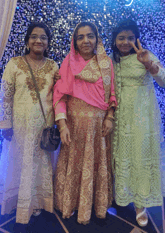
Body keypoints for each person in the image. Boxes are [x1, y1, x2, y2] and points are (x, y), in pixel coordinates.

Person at [0, 22, 59, 227]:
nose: (38, 40)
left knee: (40, 164)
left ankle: (38, 201)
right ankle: (16, 202)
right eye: (34, 36)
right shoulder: (14, 64)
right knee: (18, 162)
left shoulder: (54, 66)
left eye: (43, 37)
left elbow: (58, 97)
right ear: (27, 40)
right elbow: (6, 96)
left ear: (48, 43)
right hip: (19, 126)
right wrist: (5, 123)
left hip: (43, 126)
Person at [53, 21, 117, 224]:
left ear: (97, 38)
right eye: (80, 37)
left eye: (90, 35)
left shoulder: (106, 63)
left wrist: (109, 117)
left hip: (98, 128)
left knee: (95, 164)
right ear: (74, 41)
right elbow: (59, 96)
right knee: (74, 162)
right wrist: (62, 125)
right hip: (73, 126)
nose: (85, 40)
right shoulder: (68, 62)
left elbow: (112, 94)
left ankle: (94, 205)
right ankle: (70, 204)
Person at [110, 19, 165, 227]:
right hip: (116, 119)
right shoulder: (111, 60)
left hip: (140, 120)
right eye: (121, 38)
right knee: (117, 158)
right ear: (115, 40)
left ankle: (140, 204)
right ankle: (118, 196)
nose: (125, 42)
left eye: (130, 38)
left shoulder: (145, 56)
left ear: (136, 39)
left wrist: (148, 63)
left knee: (138, 157)